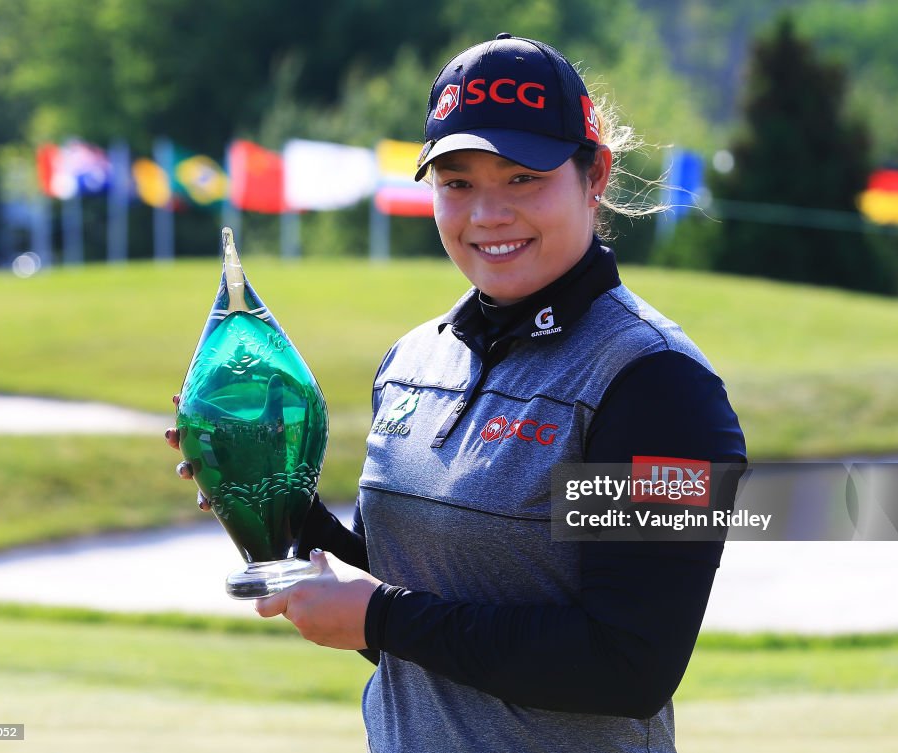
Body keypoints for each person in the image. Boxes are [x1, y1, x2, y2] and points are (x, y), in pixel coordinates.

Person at [168, 33, 745, 753]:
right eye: (457, 182)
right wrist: (283, 508)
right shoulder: (413, 363)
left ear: (593, 175)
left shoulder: (654, 384)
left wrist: (379, 616)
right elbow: (430, 627)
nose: (486, 214)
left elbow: (628, 662)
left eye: (522, 177)